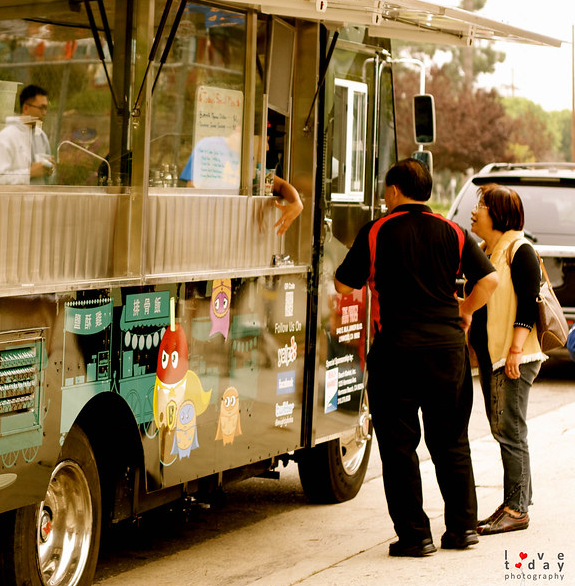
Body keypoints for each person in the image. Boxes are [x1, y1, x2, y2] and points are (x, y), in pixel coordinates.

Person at [334, 158, 498, 558]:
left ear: (393, 192)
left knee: (399, 446)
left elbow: (343, 283)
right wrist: (465, 310)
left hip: (397, 350)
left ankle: (415, 536)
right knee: (451, 441)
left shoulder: (378, 230)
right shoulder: (452, 230)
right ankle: (462, 529)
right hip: (446, 349)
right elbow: (489, 279)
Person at [466, 183, 547, 535]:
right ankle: (516, 503)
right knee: (505, 429)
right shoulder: (490, 249)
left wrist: (516, 349)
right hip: (493, 355)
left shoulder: (519, 248)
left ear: (497, 214)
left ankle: (516, 509)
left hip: (513, 357)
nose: (474, 211)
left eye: (481, 205)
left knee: (510, 431)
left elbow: (528, 302)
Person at [180, 133, 302, 236]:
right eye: (265, 140)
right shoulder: (209, 146)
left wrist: (296, 202)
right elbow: (192, 188)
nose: (267, 148)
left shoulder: (253, 166)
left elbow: (280, 186)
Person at [0, 84, 54, 184]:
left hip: (40, 198)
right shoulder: (6, 137)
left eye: (46, 108)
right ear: (26, 108)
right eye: (41, 108)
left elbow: (49, 179)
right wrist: (29, 173)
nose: (44, 113)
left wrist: (49, 171)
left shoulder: (41, 136)